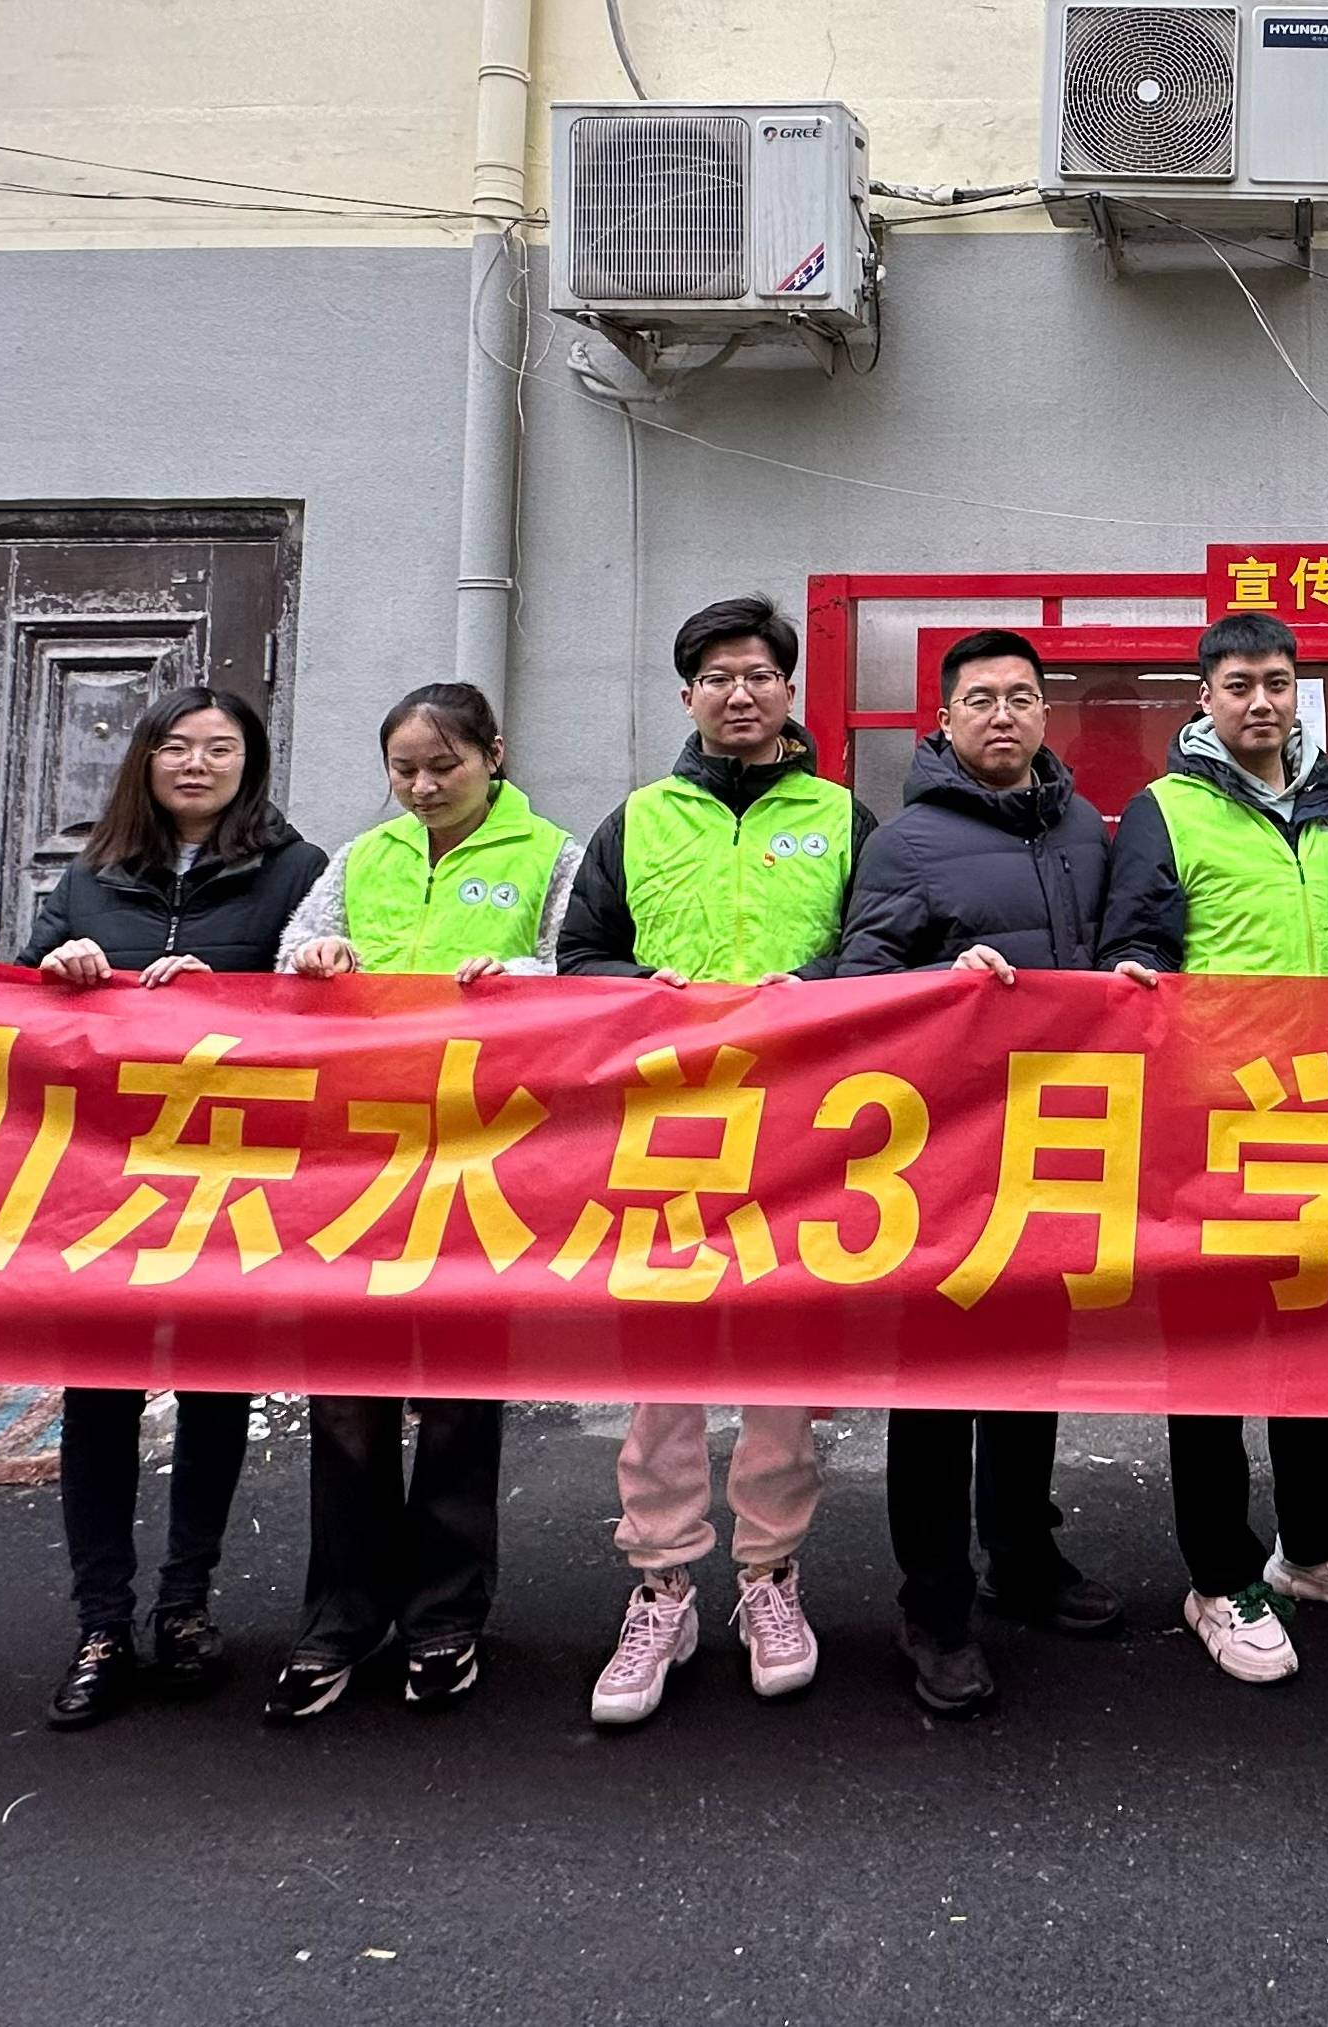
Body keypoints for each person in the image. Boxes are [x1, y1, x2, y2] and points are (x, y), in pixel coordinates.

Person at [556, 597, 867, 1725]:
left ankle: (770, 1575)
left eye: (761, 675)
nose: (742, 694)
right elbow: (581, 953)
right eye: (719, 677)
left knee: (782, 1363)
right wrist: (644, 993)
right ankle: (661, 1585)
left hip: (799, 1131)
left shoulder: (843, 816)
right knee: (664, 1364)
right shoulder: (637, 819)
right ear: (686, 695)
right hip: (668, 1128)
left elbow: (880, 948)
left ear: (790, 689)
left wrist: (815, 986)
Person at [1098, 613, 1328, 1685]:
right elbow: (1134, 946)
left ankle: (1315, 1545)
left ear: (1298, 693)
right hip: (1210, 1129)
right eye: (1237, 684)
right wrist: (1134, 978)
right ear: (1204, 697)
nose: (1260, 702)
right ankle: (1219, 1574)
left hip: (1326, 1120)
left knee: (1318, 1348)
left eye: (1277, 682)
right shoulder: (1166, 807)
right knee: (1209, 1361)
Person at [250, 683, 575, 1723]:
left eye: (446, 765)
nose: (425, 786)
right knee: (345, 1400)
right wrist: (315, 958)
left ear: (494, 756)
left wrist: (522, 973)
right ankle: (338, 1618)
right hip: (356, 1166)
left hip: (484, 1160)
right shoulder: (360, 858)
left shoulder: (554, 856)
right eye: (405, 769)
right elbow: (289, 964)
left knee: (458, 1401)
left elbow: (582, 973)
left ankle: (445, 1617)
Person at [17, 686, 327, 1730]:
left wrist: (237, 990)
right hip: (103, 1175)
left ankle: (186, 1602)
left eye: (220, 747)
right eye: (177, 746)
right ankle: (100, 1621)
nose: (197, 764)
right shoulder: (90, 873)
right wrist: (59, 969)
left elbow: (322, 1007)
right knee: (98, 1394)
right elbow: (11, 1006)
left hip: (229, 1173)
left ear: (251, 763)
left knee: (213, 1387)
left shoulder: (296, 867)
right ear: (144, 759)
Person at [830, 627, 1121, 1718]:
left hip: (1055, 1147)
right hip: (943, 1153)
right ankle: (936, 1604)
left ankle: (1023, 1555)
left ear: (1046, 713)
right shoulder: (907, 841)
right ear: (945, 721)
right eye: (981, 699)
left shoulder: (1084, 831)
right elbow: (860, 981)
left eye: (1022, 697)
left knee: (1031, 1370)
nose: (1004, 714)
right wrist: (942, 979)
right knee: (938, 1388)